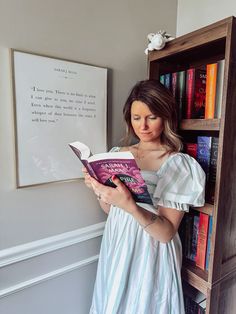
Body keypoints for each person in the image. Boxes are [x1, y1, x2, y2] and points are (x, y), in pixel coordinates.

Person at [83, 79, 205, 314]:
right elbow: (111, 210)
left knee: (144, 304)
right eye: (136, 118)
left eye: (152, 117)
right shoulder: (118, 154)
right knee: (113, 301)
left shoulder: (178, 164)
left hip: (151, 249)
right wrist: (99, 190)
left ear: (165, 117)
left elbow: (167, 233)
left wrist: (131, 206)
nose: (143, 126)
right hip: (117, 241)